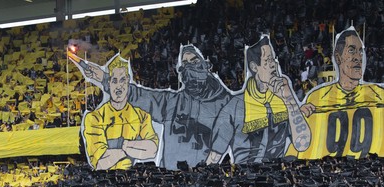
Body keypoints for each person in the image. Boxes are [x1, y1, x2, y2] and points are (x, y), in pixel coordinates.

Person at [71, 44, 232, 168]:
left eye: (194, 61)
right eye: (185, 63)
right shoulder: (173, 102)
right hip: (173, 183)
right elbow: (140, 96)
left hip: (205, 184)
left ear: (206, 65)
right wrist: (104, 78)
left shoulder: (228, 103)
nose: (189, 66)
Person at [207, 35, 311, 164]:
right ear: (254, 67)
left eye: (273, 60)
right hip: (245, 178)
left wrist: (289, 98)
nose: (273, 65)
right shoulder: (234, 107)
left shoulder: (284, 99)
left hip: (277, 177)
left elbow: (303, 144)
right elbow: (214, 157)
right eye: (267, 61)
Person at [298, 28, 384, 159]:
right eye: (351, 51)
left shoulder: (379, 94)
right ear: (338, 58)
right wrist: (299, 118)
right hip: (329, 167)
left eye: (360, 52)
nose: (358, 58)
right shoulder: (316, 97)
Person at [82, 54, 159, 170]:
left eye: (122, 80)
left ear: (128, 82)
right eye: (114, 81)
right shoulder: (94, 118)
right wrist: (132, 147)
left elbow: (152, 149)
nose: (119, 86)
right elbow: (100, 163)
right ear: (108, 83)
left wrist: (120, 147)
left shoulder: (142, 116)